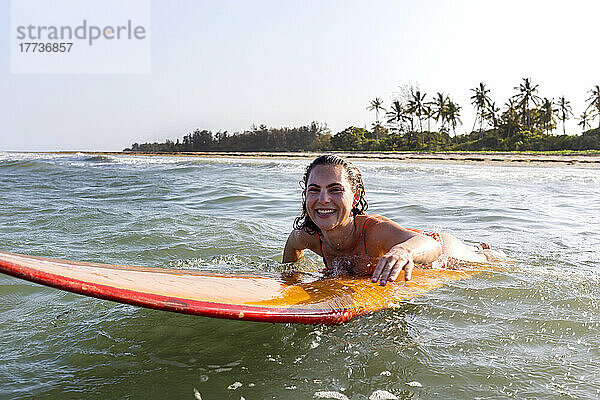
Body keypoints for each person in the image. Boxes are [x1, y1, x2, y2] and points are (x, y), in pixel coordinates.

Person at [283, 155, 505, 286]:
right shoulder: (307, 236)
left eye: (335, 190)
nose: (323, 200)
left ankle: (484, 250)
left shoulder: (375, 232)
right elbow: (292, 247)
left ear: (355, 197)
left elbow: (433, 246)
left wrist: (404, 252)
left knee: (483, 262)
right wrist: (291, 277)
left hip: (437, 249)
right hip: (407, 241)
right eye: (314, 190)